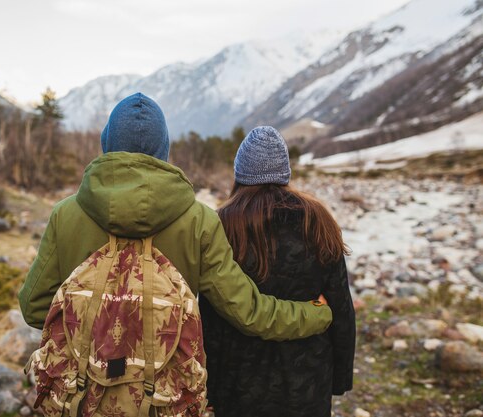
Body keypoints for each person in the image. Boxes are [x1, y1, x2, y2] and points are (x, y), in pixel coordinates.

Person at [18, 93, 332, 344]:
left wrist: (97, 329)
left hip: (86, 395)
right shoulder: (200, 222)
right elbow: (248, 313)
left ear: (107, 144)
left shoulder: (65, 215)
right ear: (164, 149)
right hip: (168, 395)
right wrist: (316, 313)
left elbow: (33, 306)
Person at [200, 126, 356, 417]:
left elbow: (211, 318)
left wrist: (210, 388)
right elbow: (341, 306)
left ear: (240, 173)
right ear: (285, 172)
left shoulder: (222, 223)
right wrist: (339, 378)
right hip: (308, 378)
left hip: (240, 382)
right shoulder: (317, 218)